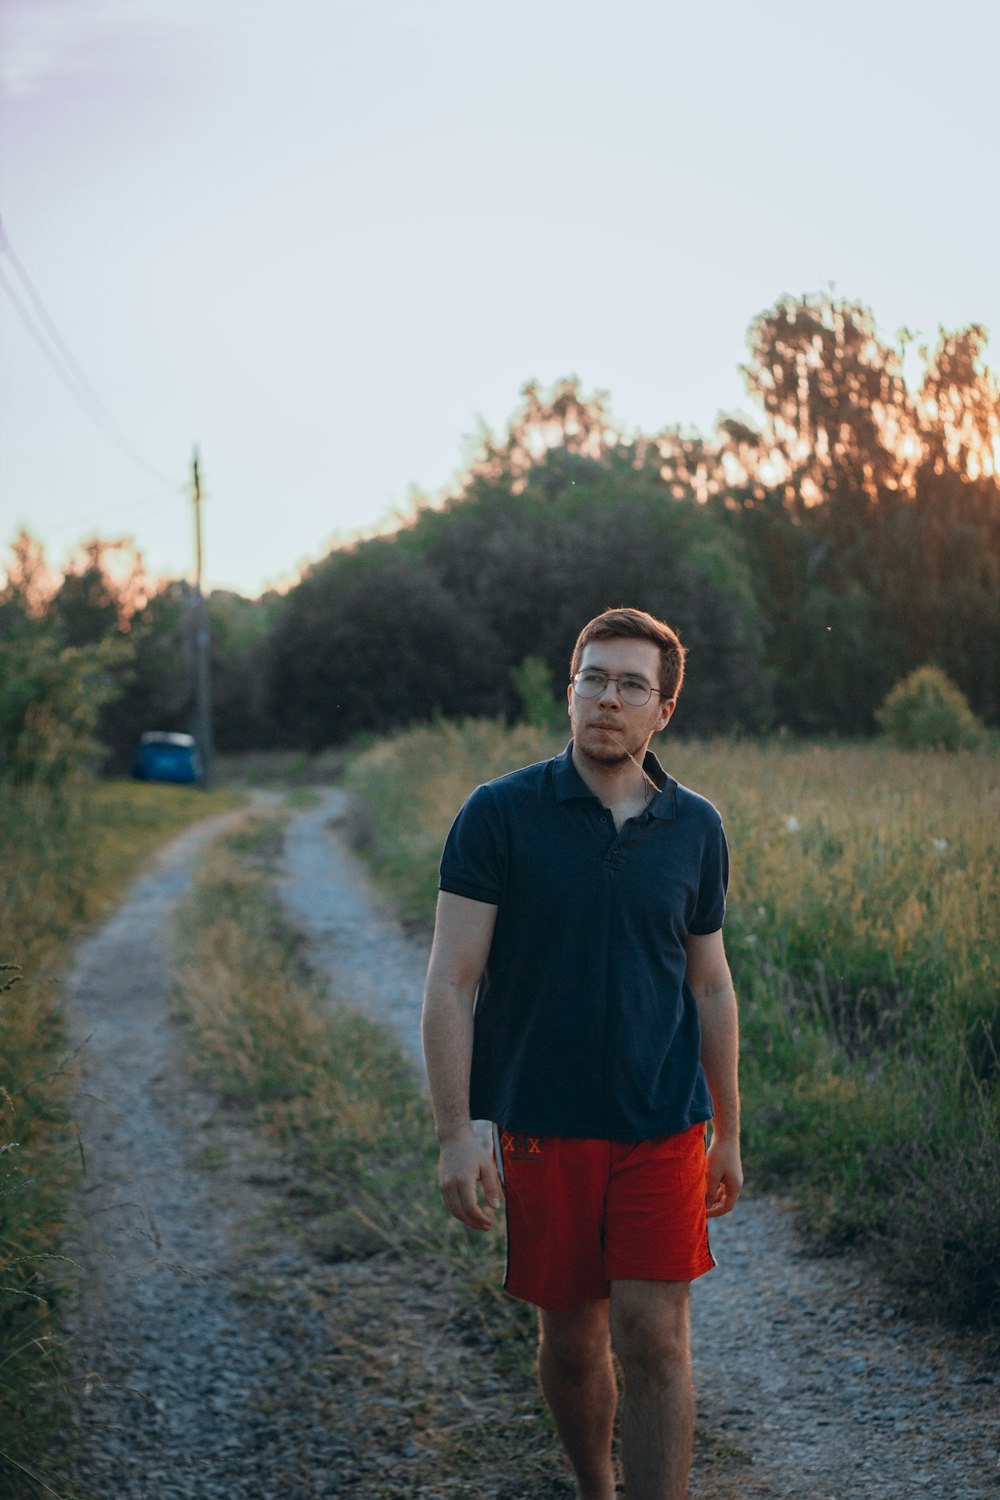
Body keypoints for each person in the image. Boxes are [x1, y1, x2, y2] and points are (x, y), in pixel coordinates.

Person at [421, 606, 742, 1500]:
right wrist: (457, 1131)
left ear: (662, 710)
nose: (608, 698)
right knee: (571, 1342)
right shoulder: (497, 816)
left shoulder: (696, 829)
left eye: (631, 684)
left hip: (661, 1121)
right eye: (593, 679)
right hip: (543, 1123)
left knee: (657, 1335)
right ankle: (595, 1488)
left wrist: (729, 1133)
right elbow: (451, 981)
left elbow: (711, 986)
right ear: (570, 694)